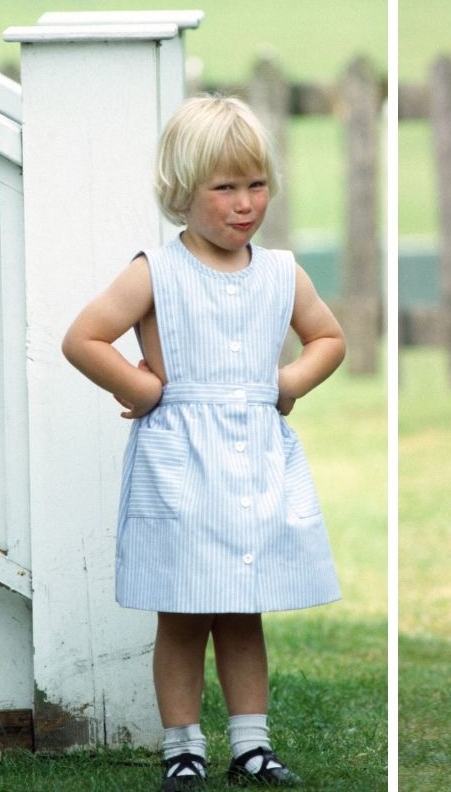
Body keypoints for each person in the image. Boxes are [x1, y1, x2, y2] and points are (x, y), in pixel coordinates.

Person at [62, 95, 346, 791]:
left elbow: (330, 338)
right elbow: (83, 338)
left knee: (243, 610)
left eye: (256, 185)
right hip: (182, 468)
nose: (245, 202)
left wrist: (287, 383)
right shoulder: (155, 273)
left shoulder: (281, 273)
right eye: (225, 187)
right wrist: (142, 389)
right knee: (186, 611)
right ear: (182, 191)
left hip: (252, 464)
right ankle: (181, 748)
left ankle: (252, 745)